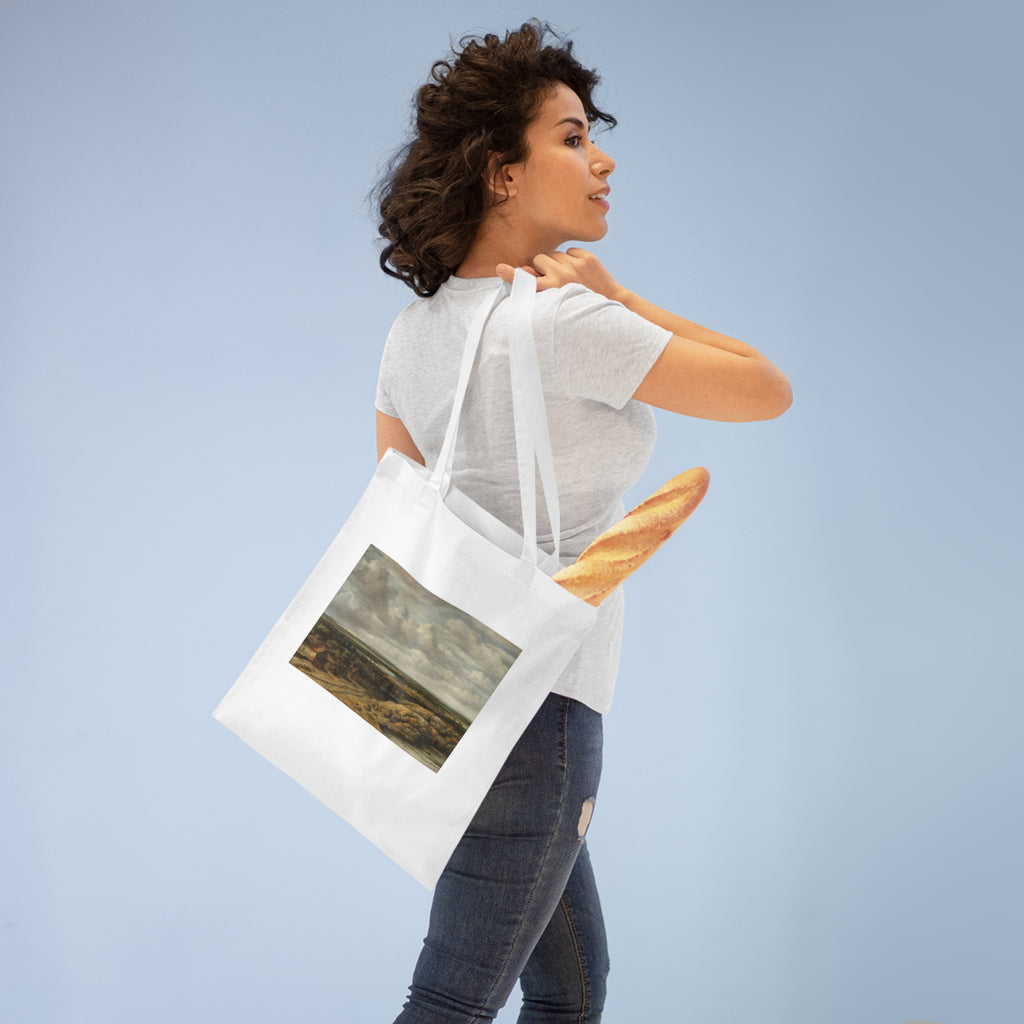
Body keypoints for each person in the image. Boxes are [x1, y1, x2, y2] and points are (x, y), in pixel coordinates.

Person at [373, 20, 791, 1024]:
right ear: (502, 173)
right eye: (570, 137)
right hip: (541, 703)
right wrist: (624, 299)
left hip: (440, 693)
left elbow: (397, 509)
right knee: (451, 1000)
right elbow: (766, 388)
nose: (601, 160)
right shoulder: (566, 320)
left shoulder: (411, 331)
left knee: (569, 985)